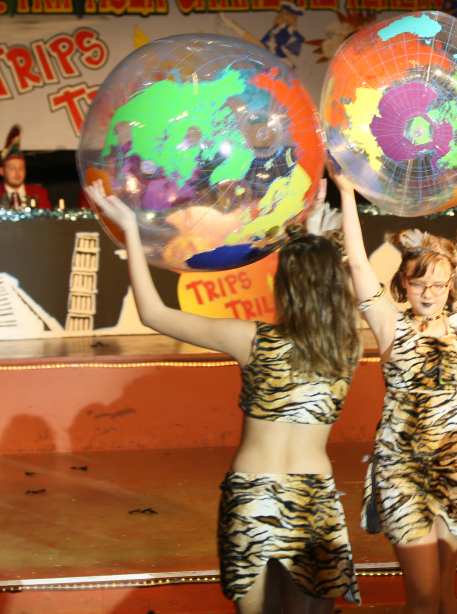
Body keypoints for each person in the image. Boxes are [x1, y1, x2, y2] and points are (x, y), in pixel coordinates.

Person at [86, 179, 361, 614]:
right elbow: (341, 283)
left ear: (285, 286)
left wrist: (132, 230)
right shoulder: (347, 347)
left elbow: (153, 313)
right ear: (334, 283)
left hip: (251, 491)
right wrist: (317, 236)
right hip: (311, 497)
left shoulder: (251, 339)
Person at [336, 134, 457, 614]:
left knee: (444, 595)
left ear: (451, 283)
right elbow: (356, 263)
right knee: (421, 595)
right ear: (404, 281)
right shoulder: (389, 324)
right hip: (400, 465)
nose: (430, 292)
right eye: (420, 283)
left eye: (439, 284)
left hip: (453, 461)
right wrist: (347, 193)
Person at [0, 125, 50, 210]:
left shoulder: (40, 194)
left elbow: (48, 218)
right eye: (12, 168)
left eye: (21, 168)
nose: (17, 172)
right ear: (1, 171)